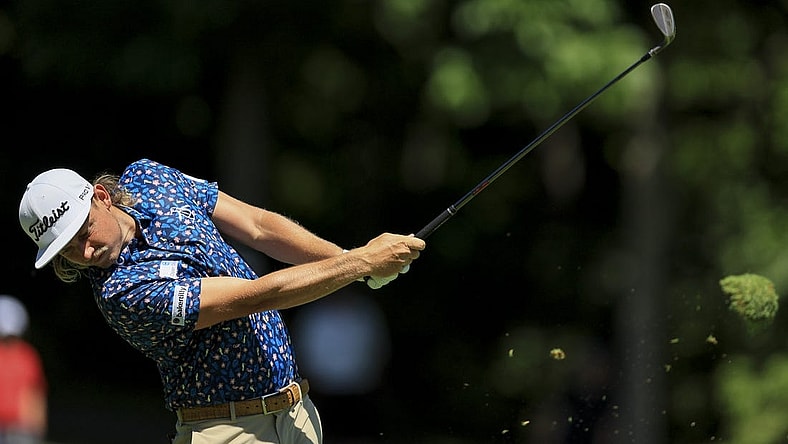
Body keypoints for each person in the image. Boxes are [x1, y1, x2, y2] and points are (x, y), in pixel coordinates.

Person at [18, 158, 425, 444]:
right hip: (227, 432)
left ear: (102, 197)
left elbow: (257, 226)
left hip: (297, 414)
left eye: (84, 231)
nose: (85, 252)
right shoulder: (123, 294)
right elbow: (257, 296)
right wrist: (360, 262)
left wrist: (349, 261)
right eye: (67, 250)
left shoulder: (150, 179)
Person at [0, 295, 48, 444]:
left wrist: (36, 427)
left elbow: (33, 394)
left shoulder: (26, 356)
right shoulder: (27, 355)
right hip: (21, 429)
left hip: (20, 428)